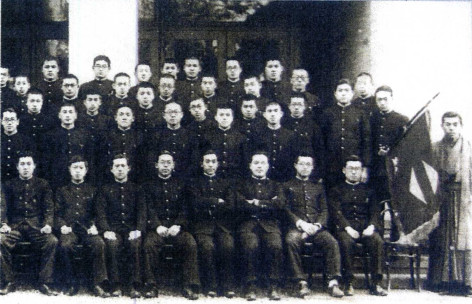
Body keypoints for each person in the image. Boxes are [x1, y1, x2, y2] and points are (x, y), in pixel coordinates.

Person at [284, 153, 344, 298]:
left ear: (312, 168)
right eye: (302, 164)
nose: (305, 168)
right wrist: (302, 224)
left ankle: (333, 282)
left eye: (308, 165)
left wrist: (317, 225)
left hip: (316, 228)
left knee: (332, 242)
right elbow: (286, 210)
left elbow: (324, 210)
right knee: (291, 241)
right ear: (295, 166)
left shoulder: (318, 187)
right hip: (297, 227)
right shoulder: (287, 185)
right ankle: (301, 282)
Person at [142, 151, 200, 299]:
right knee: (149, 244)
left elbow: (186, 208)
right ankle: (151, 285)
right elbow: (148, 208)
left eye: (169, 163)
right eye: (162, 162)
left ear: (173, 165)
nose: (165, 165)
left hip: (177, 228)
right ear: (156, 165)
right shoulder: (148, 185)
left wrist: (178, 225)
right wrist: (157, 226)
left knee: (190, 243)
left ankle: (189, 285)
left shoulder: (182, 184)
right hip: (157, 228)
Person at [0, 152, 59, 296]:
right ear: (17, 167)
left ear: (34, 167)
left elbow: (48, 207)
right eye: (22, 164)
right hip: (15, 226)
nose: (25, 167)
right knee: (0, 240)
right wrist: (3, 223)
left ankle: (44, 282)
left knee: (52, 241)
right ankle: (9, 281)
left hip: (36, 226)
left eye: (28, 164)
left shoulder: (43, 184)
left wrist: (47, 224)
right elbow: (3, 206)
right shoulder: (8, 185)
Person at [328, 155, 387, 296]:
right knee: (345, 242)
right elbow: (336, 213)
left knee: (377, 240)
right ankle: (348, 283)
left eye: (357, 169)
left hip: (366, 227)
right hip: (346, 227)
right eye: (350, 168)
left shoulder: (369, 190)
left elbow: (375, 211)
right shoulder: (336, 190)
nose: (354, 172)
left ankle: (376, 283)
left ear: (361, 171)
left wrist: (371, 227)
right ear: (344, 170)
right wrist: (347, 228)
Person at [428, 111, 472, 295]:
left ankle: (465, 282)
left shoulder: (468, 148)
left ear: (460, 125)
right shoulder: (435, 147)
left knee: (464, 238)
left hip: (463, 197)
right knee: (442, 238)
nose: (451, 128)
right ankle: (442, 281)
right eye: (448, 124)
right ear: (442, 126)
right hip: (441, 197)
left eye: (455, 124)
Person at [54, 156, 109, 297]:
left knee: (98, 243)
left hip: (87, 228)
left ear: (86, 171)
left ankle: (96, 283)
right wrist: (62, 226)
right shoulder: (62, 190)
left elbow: (99, 212)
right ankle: (71, 282)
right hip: (69, 228)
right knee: (65, 245)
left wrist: (95, 226)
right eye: (74, 168)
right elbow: (56, 214)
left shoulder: (93, 190)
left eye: (81, 168)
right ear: (69, 170)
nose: (77, 171)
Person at [236, 152, 285, 301]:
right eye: (256, 163)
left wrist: (255, 202)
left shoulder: (276, 185)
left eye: (263, 163)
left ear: (268, 166)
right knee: (251, 245)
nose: (259, 166)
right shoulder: (241, 184)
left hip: (269, 225)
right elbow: (240, 204)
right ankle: (250, 286)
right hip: (248, 224)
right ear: (250, 166)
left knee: (275, 245)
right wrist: (268, 203)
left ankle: (273, 286)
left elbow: (280, 204)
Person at [95, 154, 146, 298]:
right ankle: (115, 284)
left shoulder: (137, 189)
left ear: (128, 168)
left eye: (123, 166)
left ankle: (133, 285)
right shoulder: (105, 190)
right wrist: (105, 230)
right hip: (113, 229)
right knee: (112, 244)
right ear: (111, 170)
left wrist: (138, 230)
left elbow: (142, 212)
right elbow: (101, 213)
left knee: (135, 244)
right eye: (116, 166)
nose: (120, 169)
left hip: (131, 229)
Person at [189, 151, 236, 298]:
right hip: (203, 226)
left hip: (222, 225)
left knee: (227, 245)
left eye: (213, 161)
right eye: (207, 161)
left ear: (217, 164)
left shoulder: (226, 182)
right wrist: (216, 201)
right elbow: (195, 203)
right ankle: (211, 286)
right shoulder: (195, 183)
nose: (210, 164)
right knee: (207, 247)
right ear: (201, 164)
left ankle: (227, 286)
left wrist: (207, 202)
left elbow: (230, 205)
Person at [319, 79, 371, 189]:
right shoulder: (327, 113)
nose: (343, 93)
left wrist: (365, 168)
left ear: (352, 93)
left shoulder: (360, 114)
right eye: (340, 90)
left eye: (346, 90)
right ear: (335, 94)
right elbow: (321, 142)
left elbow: (366, 141)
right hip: (331, 167)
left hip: (354, 168)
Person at [369, 85, 408, 203]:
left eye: (385, 99)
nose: (382, 102)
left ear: (392, 98)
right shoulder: (371, 119)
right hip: (375, 168)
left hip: (394, 169)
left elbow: (406, 146)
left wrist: (391, 152)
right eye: (379, 99)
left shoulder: (402, 120)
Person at [44, 104, 92, 190]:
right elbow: (47, 160)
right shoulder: (51, 135)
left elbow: (89, 156)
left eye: (70, 112)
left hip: (78, 176)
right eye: (64, 112)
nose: (67, 115)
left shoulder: (84, 134)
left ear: (75, 115)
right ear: (59, 115)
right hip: (58, 176)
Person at [251, 102, 295, 182]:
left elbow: (293, 157)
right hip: (265, 177)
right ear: (264, 115)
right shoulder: (259, 135)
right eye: (269, 111)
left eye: (275, 111)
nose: (273, 114)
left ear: (281, 114)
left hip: (285, 177)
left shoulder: (290, 135)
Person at [284, 93, 325, 180]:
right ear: (289, 106)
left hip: (307, 172)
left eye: (299, 104)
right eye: (294, 104)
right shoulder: (283, 123)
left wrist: (318, 173)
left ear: (305, 106)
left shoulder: (313, 126)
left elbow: (319, 151)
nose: (296, 107)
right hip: (287, 172)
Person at [202, 106, 246, 179]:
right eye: (221, 115)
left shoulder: (240, 137)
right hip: (214, 177)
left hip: (235, 176)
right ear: (216, 117)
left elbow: (243, 160)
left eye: (228, 115)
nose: (224, 118)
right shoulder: (208, 136)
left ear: (232, 118)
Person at [103, 106, 143, 182]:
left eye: (128, 115)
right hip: (112, 176)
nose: (124, 118)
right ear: (116, 118)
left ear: (133, 118)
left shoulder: (138, 135)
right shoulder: (108, 135)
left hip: (134, 175)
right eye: (121, 114)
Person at [1, 108, 36, 181]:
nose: (9, 123)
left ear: (17, 122)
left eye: (12, 119)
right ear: (1, 121)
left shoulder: (26, 141)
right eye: (6, 120)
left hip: (18, 182)